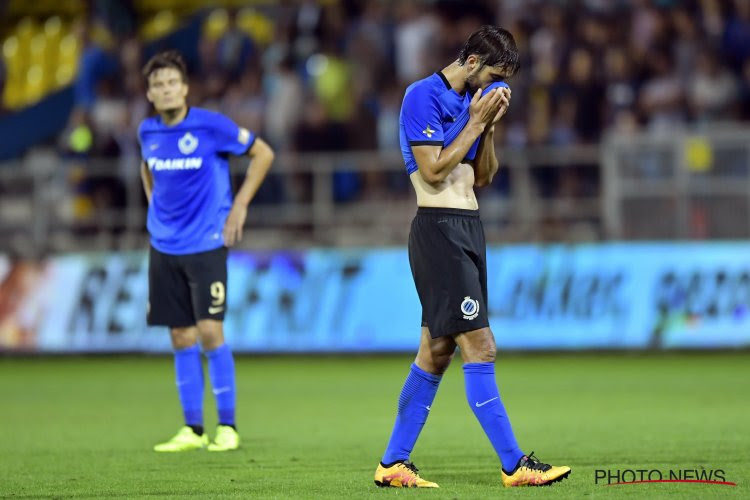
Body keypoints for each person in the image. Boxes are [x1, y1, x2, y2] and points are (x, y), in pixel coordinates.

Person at [373, 26, 571, 488]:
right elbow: (434, 169)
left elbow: (482, 176)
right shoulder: (422, 95)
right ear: (472, 60)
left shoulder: (472, 104)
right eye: (494, 76)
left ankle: (392, 463)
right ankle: (515, 464)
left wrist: (490, 127)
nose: (497, 88)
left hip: (468, 228)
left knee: (436, 352)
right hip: (438, 230)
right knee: (480, 346)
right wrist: (477, 124)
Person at [138, 50, 275, 452]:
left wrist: (240, 204)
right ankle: (193, 430)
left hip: (206, 244)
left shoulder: (210, 126)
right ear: (149, 93)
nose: (165, 89)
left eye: (171, 83)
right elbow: (146, 169)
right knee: (181, 336)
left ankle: (227, 427)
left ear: (184, 88)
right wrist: (155, 209)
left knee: (211, 331)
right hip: (164, 246)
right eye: (157, 84)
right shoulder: (147, 131)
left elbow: (263, 153)